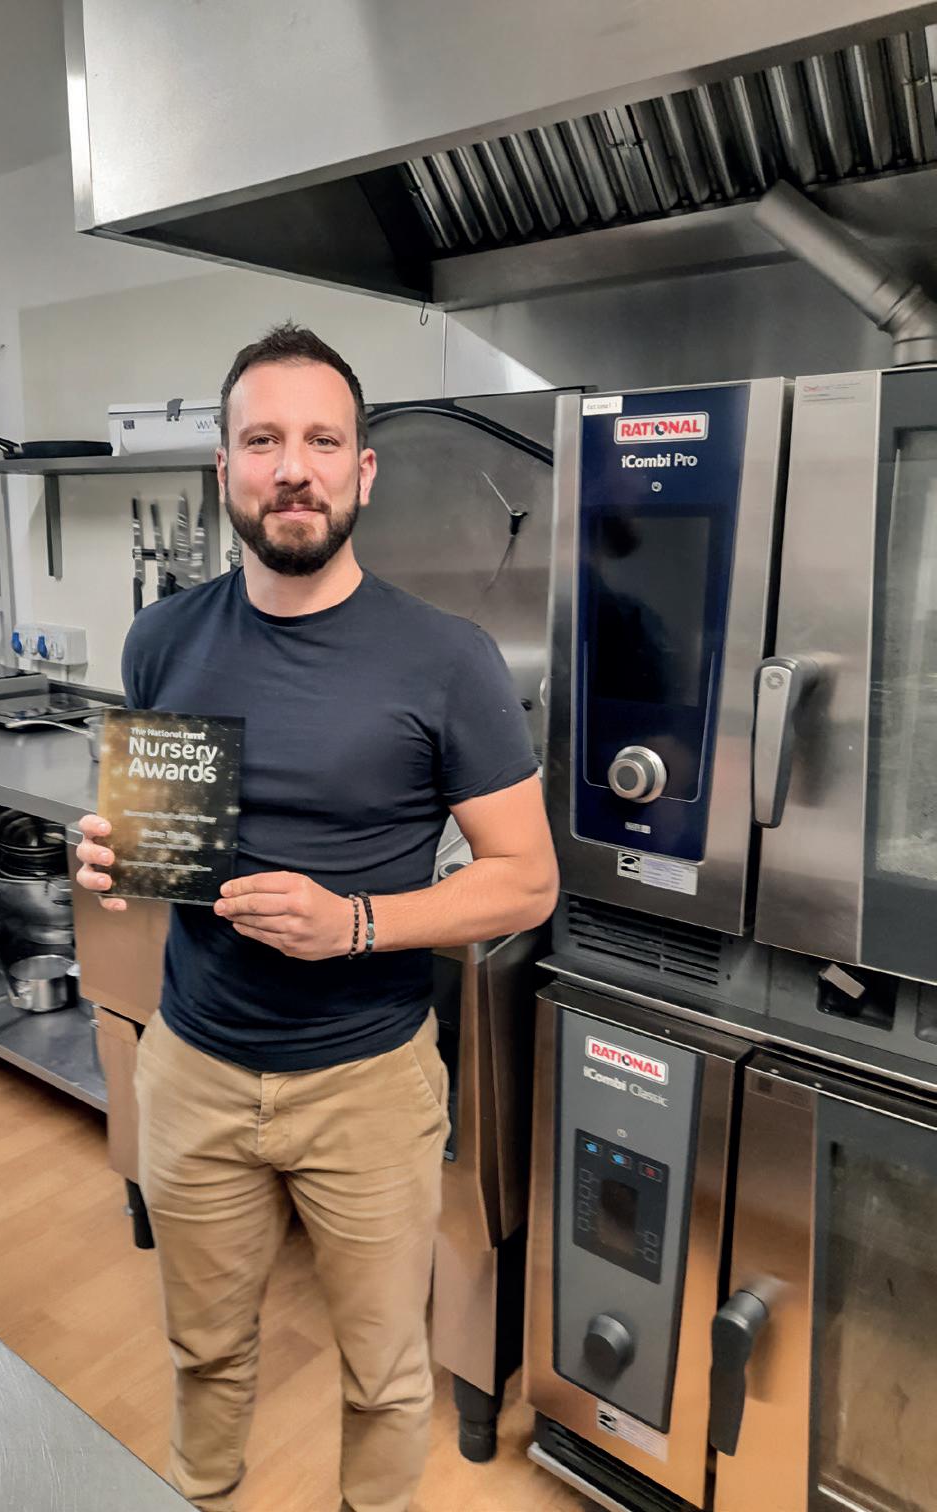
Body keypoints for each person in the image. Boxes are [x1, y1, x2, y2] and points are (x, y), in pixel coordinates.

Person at [74, 322, 558, 1512]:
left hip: (368, 1088)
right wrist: (113, 854)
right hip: (192, 1067)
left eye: (322, 441)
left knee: (385, 1379)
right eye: (262, 441)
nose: (293, 468)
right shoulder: (161, 639)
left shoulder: (447, 660)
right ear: (225, 470)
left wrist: (355, 924)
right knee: (203, 1349)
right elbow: (161, 832)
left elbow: (525, 881)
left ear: (363, 470)